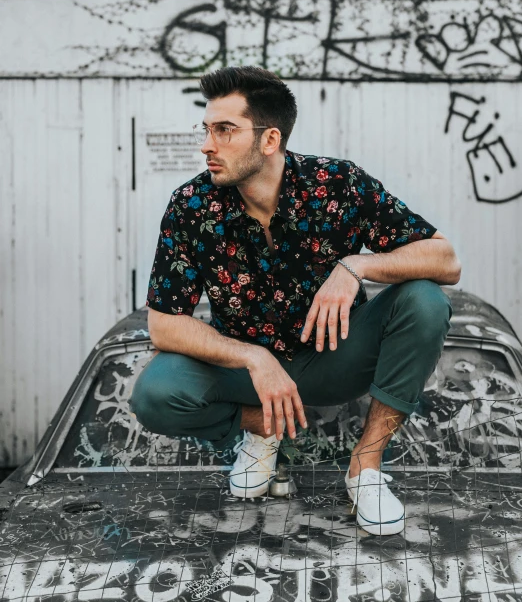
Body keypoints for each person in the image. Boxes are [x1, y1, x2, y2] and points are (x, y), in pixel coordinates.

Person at [130, 66, 459, 536]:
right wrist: (252, 356)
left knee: (425, 299)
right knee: (154, 392)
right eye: (206, 129)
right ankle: (263, 428)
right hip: (249, 377)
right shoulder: (191, 206)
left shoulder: (338, 185)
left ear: (269, 140)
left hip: (336, 359)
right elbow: (164, 324)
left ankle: (364, 467)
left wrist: (355, 266)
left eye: (225, 130)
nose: (207, 144)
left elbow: (445, 258)